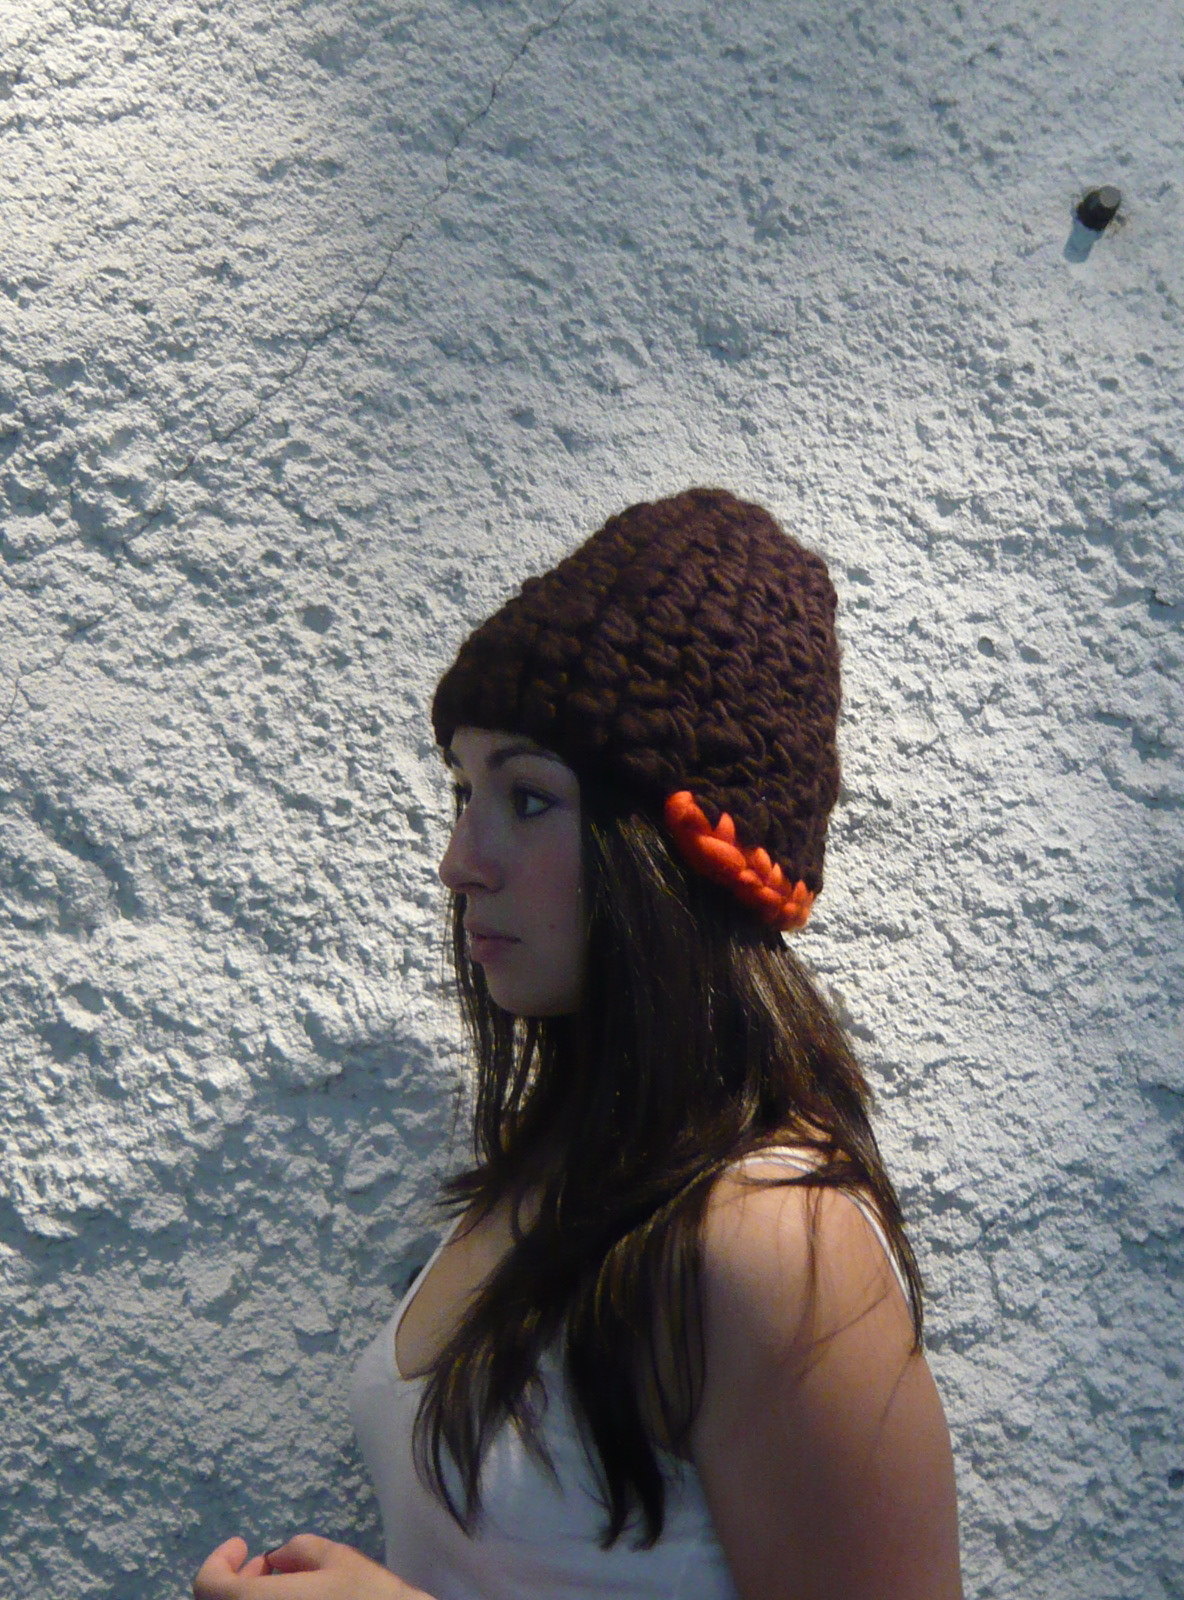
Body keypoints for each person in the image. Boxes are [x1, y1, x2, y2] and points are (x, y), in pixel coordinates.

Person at [195, 487, 963, 1600]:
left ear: (671, 851)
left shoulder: (776, 1239)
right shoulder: (554, 1168)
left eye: (528, 798)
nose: (461, 860)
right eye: (465, 790)